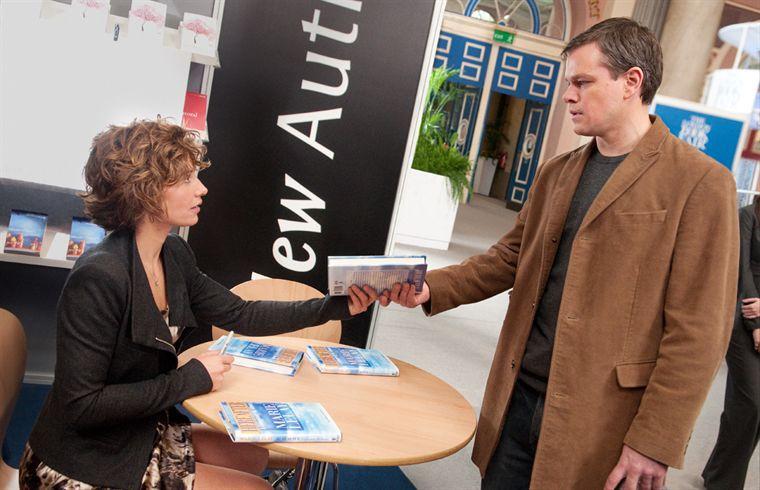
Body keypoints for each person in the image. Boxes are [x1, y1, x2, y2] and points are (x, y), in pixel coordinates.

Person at [382, 18, 739, 490]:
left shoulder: (700, 182)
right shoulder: (557, 172)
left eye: (582, 82)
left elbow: (699, 330)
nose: (567, 95)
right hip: (518, 399)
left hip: (604, 421)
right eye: (567, 83)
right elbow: (510, 256)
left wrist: (654, 440)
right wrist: (431, 286)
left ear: (631, 81)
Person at [18, 120, 378, 490]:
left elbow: (241, 312)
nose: (202, 188)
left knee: (251, 457)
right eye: (186, 179)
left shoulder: (173, 253)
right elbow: (83, 405)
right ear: (146, 189)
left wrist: (333, 307)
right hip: (81, 460)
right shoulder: (98, 277)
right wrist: (189, 379)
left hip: (135, 431)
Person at [702, 201, 760, 489]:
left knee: (754, 409)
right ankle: (722, 482)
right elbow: (741, 269)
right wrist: (757, 324)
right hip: (741, 319)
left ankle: (719, 473)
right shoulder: (747, 215)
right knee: (749, 402)